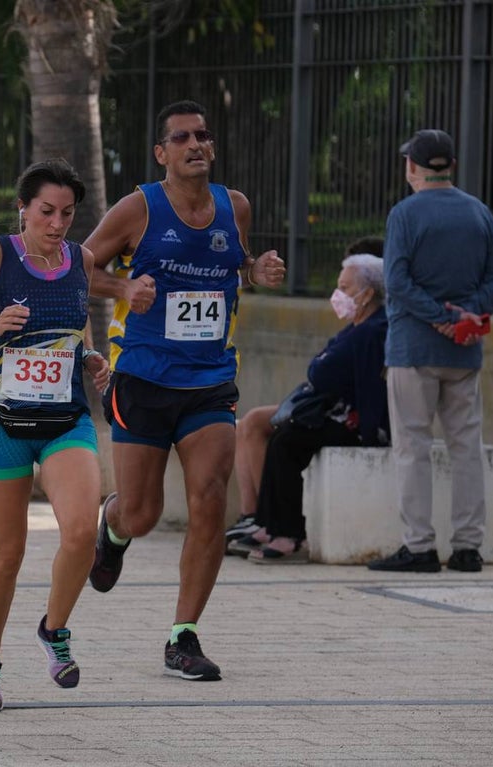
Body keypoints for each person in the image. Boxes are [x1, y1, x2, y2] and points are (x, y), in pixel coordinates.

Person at [83, 99, 285, 681]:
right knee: (143, 513)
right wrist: (123, 287)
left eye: (203, 136)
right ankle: (113, 526)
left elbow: (236, 265)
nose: (195, 145)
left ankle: (183, 635)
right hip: (143, 377)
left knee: (209, 499)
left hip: (209, 381)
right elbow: (76, 266)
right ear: (162, 153)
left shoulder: (234, 206)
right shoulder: (138, 208)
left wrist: (257, 271)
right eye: (182, 138)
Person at [0, 158, 111, 712]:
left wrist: (89, 358)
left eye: (67, 213)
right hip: (2, 422)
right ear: (23, 209)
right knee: (7, 555)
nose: (57, 224)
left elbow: (69, 331)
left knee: (82, 531)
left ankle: (54, 629)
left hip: (64, 421)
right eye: (46, 212)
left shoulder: (79, 260)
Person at [367, 129, 493, 574]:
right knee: (467, 447)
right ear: (449, 165)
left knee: (412, 446)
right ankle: (469, 547)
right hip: (465, 354)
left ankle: (419, 546)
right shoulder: (478, 213)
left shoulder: (405, 214)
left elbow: (396, 282)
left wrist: (437, 317)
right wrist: (467, 315)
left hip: (413, 349)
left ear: (413, 165)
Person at [227, 252, 390, 563]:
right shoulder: (356, 327)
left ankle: (287, 532)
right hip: (332, 409)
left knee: (287, 440)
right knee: (280, 434)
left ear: (368, 293)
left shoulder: (373, 330)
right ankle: (265, 521)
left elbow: (350, 381)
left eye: (345, 287)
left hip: (353, 421)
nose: (338, 294)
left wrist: (374, 435)